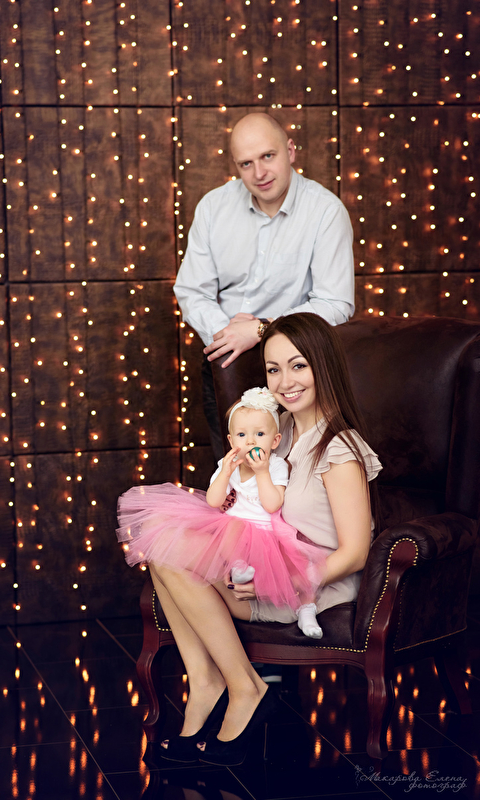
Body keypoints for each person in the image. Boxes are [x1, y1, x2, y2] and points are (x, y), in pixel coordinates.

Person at [121, 313, 381, 768]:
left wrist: (275, 580)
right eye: (273, 369)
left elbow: (356, 553)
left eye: (298, 366)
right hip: (263, 561)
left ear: (323, 366)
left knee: (168, 551)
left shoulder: (339, 448)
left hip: (307, 586)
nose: (285, 382)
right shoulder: (280, 432)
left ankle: (243, 686)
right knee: (160, 544)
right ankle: (205, 680)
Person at [173, 112, 355, 460]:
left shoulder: (326, 211)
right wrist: (230, 337)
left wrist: (261, 330)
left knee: (293, 472)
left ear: (291, 150)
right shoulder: (213, 207)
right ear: (236, 166)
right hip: (226, 362)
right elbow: (192, 290)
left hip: (300, 368)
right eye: (246, 163)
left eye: (268, 156)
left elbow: (336, 303)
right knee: (233, 474)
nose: (259, 173)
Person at [117, 386, 326, 638]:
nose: (250, 441)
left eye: (259, 434)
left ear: (275, 441)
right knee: (232, 526)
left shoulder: (275, 466)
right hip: (233, 530)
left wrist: (262, 473)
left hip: (266, 534)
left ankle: (306, 612)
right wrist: (225, 473)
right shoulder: (229, 466)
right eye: (242, 435)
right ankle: (238, 566)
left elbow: (272, 504)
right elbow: (214, 501)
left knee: (298, 570)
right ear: (231, 441)